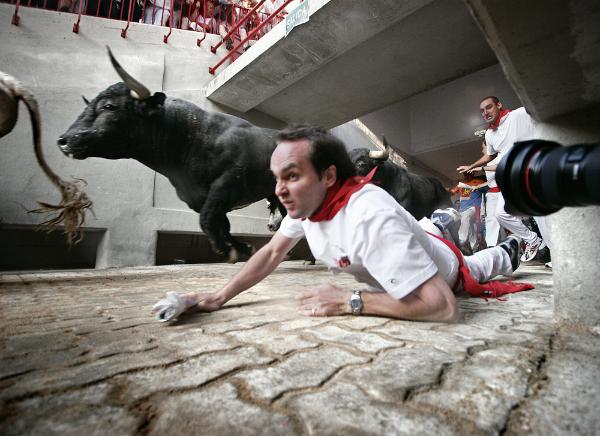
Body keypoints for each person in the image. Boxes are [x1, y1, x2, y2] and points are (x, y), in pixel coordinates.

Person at [153, 125, 530, 323]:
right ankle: (442, 223)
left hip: (443, 266)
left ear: (329, 176)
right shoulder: (308, 204)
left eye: (291, 176)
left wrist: (352, 301)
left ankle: (506, 249)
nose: (278, 190)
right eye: (276, 177)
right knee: (429, 227)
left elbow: (442, 307)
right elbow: (270, 254)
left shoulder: (369, 215)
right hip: (413, 235)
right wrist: (218, 297)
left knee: (477, 265)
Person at [457, 96, 551, 262]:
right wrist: (471, 166)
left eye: (489, 107)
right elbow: (489, 155)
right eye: (482, 111)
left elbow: (541, 110)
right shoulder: (489, 134)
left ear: (499, 105)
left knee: (541, 216)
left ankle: (554, 253)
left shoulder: (518, 115)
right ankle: (533, 240)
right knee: (501, 214)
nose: (485, 113)